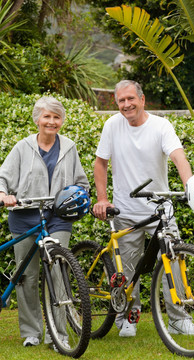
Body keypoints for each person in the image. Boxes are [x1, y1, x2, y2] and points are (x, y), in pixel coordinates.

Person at [93, 80, 194, 337]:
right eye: (121, 100)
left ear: (142, 100)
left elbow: (178, 155)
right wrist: (102, 198)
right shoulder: (112, 126)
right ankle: (127, 319)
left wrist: (189, 185)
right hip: (126, 209)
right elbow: (101, 163)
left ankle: (178, 319)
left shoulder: (161, 126)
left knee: (173, 260)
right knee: (129, 269)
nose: (126, 104)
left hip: (159, 209)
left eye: (131, 99)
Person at [0, 96, 89, 348]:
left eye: (56, 117)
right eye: (47, 116)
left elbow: (81, 183)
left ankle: (56, 334)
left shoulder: (69, 147)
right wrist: (3, 195)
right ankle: (31, 332)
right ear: (37, 119)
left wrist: (77, 197)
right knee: (26, 276)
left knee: (58, 271)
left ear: (62, 121)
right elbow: (2, 178)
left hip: (57, 218)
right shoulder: (21, 147)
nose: (52, 121)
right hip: (24, 216)